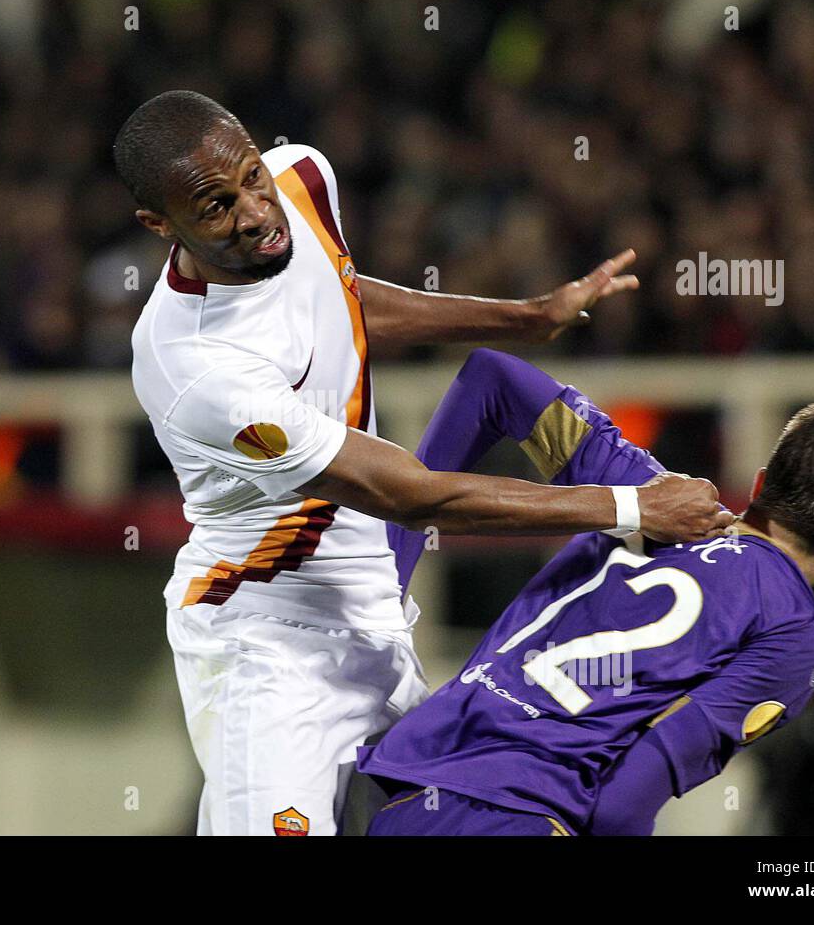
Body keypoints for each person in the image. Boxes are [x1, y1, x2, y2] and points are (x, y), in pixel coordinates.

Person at [118, 90, 730, 836]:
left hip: (372, 617)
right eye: (216, 207)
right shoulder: (195, 368)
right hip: (268, 649)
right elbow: (407, 494)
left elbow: (340, 296)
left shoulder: (302, 179)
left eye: (252, 176)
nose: (254, 211)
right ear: (159, 225)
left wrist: (529, 318)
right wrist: (632, 507)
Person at [357, 348, 814, 835]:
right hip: (530, 813)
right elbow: (623, 801)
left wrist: (386, 577)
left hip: (405, 787)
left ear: (758, 486)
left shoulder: (650, 495)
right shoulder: (793, 634)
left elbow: (491, 378)